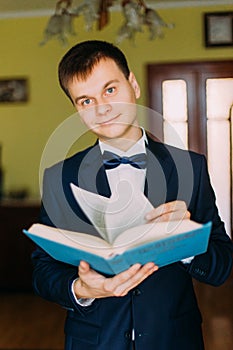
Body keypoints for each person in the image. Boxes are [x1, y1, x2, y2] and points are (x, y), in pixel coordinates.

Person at [32, 40, 233, 350]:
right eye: (85, 101)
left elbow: (221, 267)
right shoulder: (59, 177)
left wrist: (187, 239)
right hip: (94, 341)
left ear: (133, 85)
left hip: (175, 339)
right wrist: (81, 289)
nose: (102, 109)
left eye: (110, 90)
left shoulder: (190, 167)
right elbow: (43, 270)